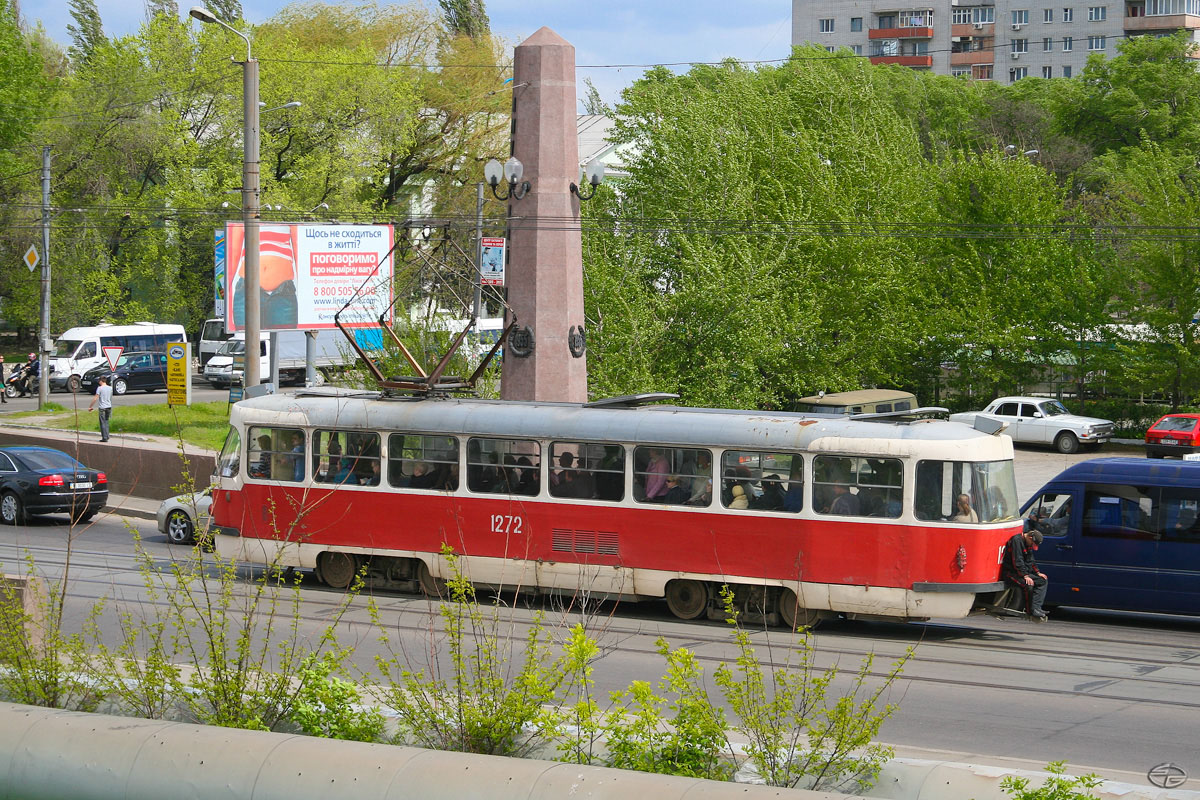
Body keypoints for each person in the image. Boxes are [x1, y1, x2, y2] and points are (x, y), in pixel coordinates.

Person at [1001, 522, 1049, 620]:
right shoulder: (1016, 541)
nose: (1032, 546)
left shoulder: (1028, 543)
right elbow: (1017, 560)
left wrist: (1037, 572)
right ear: (1030, 538)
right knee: (1028, 585)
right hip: (1010, 573)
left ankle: (1037, 608)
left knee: (1043, 581)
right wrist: (1025, 575)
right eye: (1033, 544)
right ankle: (1030, 611)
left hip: (1021, 573)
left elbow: (1031, 560)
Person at [87, 375, 113, 442]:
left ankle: (104, 437)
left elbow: (95, 398)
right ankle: (107, 435)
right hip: (109, 406)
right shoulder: (110, 388)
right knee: (106, 421)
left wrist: (90, 406)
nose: (98, 382)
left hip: (102, 407)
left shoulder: (100, 388)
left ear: (101, 381)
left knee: (102, 422)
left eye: (99, 381)